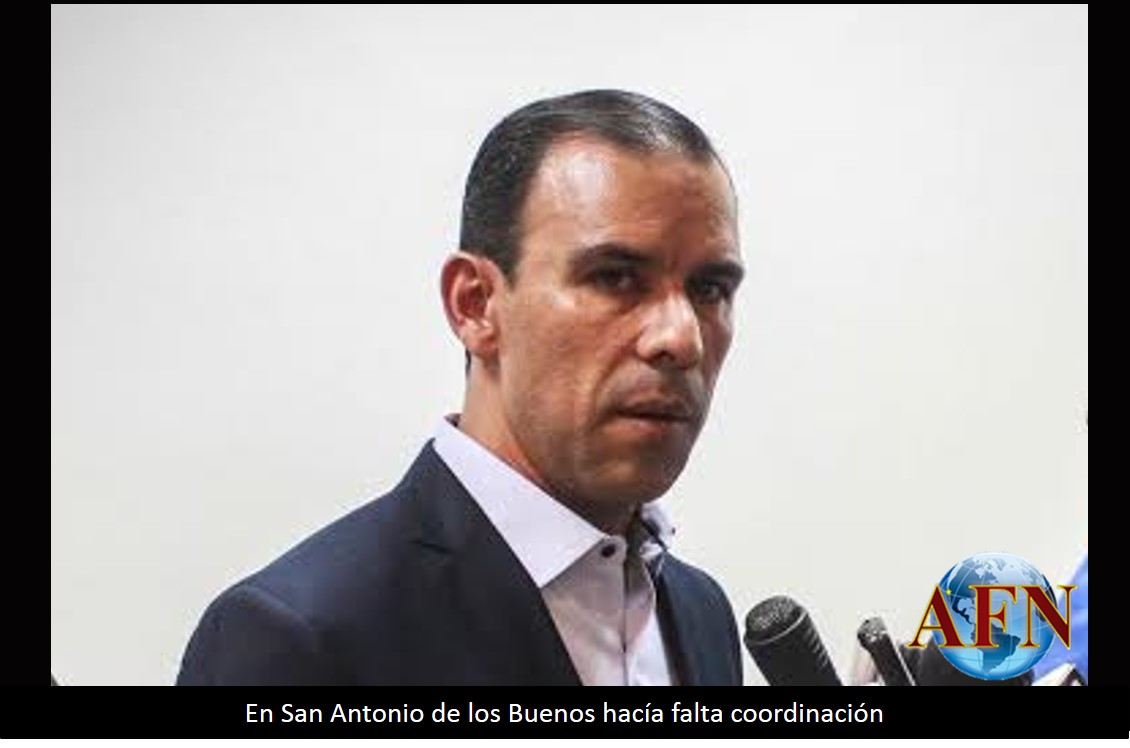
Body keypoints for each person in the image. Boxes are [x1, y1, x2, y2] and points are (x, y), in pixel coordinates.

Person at [177, 89, 745, 686]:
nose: (682, 338)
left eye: (710, 289)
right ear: (475, 304)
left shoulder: (701, 613)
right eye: (616, 278)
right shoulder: (298, 639)